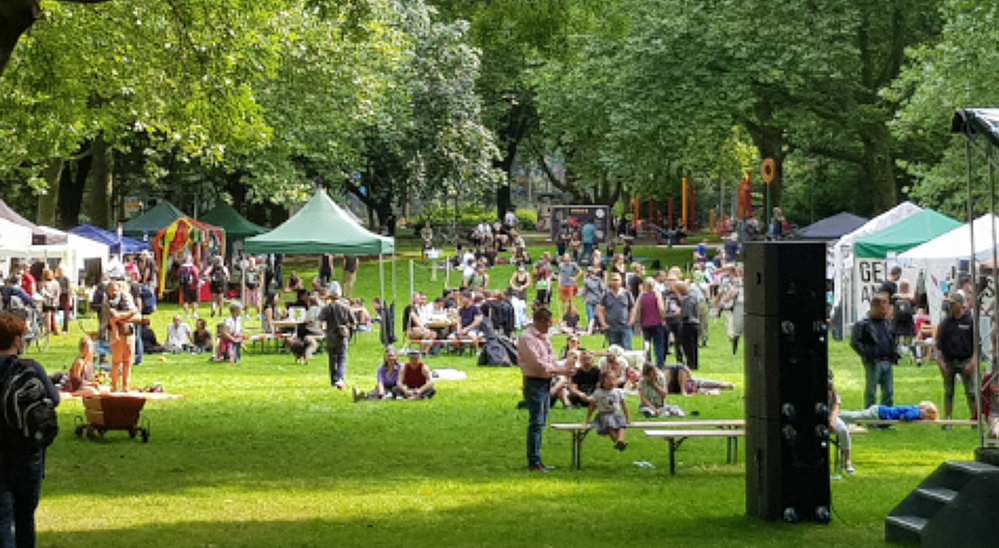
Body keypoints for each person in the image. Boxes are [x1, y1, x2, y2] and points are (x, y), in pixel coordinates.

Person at [0, 312, 60, 548]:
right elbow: (53, 400)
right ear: (16, 340)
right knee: (25, 518)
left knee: (3, 519)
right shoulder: (30, 368)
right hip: (28, 453)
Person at [518, 307, 577, 472]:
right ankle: (534, 461)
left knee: (541, 422)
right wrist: (561, 371)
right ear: (540, 322)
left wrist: (565, 367)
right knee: (536, 422)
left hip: (546, 382)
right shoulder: (527, 339)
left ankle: (537, 459)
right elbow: (538, 364)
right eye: (549, 323)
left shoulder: (544, 338)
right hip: (534, 382)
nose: (550, 326)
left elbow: (551, 359)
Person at [935, 293, 978, 423]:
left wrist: (973, 362)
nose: (951, 306)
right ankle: (948, 419)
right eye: (949, 304)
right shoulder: (945, 323)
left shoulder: (970, 322)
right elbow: (938, 343)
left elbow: (977, 344)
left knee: (971, 393)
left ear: (961, 304)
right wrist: (940, 362)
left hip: (966, 360)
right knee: (948, 392)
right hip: (949, 361)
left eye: (953, 303)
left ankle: (975, 419)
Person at [850, 295, 897, 408]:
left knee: (888, 391)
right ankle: (870, 416)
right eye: (882, 308)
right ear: (873, 307)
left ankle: (886, 419)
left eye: (886, 308)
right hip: (873, 361)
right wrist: (867, 354)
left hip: (887, 360)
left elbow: (890, 338)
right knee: (871, 391)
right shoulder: (863, 324)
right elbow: (855, 343)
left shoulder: (887, 323)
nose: (885, 311)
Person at [100, 280, 139, 392]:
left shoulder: (126, 299)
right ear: (108, 291)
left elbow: (135, 312)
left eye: (116, 290)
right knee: (116, 361)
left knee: (128, 361)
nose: (114, 292)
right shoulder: (106, 303)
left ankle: (126, 386)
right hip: (116, 335)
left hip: (129, 332)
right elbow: (111, 318)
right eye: (112, 290)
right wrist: (126, 316)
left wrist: (121, 316)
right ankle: (115, 386)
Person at [319, 285, 355, 390]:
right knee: (342, 358)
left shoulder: (327, 308)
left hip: (330, 336)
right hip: (342, 337)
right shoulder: (346, 307)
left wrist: (323, 332)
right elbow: (353, 322)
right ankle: (340, 378)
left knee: (332, 359)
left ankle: (333, 380)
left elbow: (320, 322)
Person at [585, 371, 632, 451]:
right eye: (608, 379)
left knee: (622, 426)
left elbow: (624, 406)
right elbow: (592, 407)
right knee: (609, 426)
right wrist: (588, 419)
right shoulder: (598, 393)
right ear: (602, 381)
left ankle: (620, 440)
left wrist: (628, 418)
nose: (611, 382)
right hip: (604, 415)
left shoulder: (618, 392)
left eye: (613, 379)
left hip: (616, 414)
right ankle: (616, 441)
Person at [630, 278, 666, 369]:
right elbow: (661, 308)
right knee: (659, 344)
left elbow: (637, 309)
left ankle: (648, 363)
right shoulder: (657, 294)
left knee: (647, 345)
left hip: (645, 324)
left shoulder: (641, 296)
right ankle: (660, 365)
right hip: (657, 322)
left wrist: (638, 321)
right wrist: (663, 319)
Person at [597, 273, 635, 350]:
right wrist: (603, 324)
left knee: (627, 350)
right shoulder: (606, 295)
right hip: (611, 328)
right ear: (610, 282)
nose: (615, 282)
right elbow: (600, 310)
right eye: (613, 280)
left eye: (617, 280)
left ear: (621, 281)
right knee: (614, 353)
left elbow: (633, 309)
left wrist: (631, 321)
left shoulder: (627, 294)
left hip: (625, 327)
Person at [828, 370, 854, 474]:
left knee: (843, 430)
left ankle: (847, 461)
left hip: (830, 416)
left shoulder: (834, 394)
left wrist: (832, 422)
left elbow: (835, 409)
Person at [838, 401, 939, 422]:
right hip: (879, 413)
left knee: (858, 414)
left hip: (880, 410)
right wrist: (919, 415)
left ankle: (839, 413)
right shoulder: (916, 411)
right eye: (928, 416)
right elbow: (904, 417)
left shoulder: (914, 408)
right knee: (856, 416)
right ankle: (838, 414)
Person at [580, 266, 606, 335]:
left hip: (589, 300)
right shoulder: (599, 280)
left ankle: (591, 330)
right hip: (598, 299)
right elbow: (603, 289)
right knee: (598, 315)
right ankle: (598, 328)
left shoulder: (586, 281)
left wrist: (580, 295)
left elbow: (584, 291)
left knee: (590, 315)